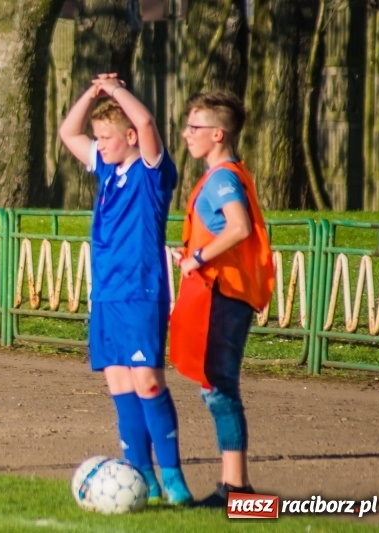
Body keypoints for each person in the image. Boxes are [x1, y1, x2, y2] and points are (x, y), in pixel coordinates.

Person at [58, 74, 192, 505]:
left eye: (107, 136)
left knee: (148, 382)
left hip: (140, 292)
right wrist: (93, 93)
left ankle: (173, 479)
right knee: (120, 387)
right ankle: (142, 478)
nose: (100, 144)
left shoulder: (150, 171)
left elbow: (149, 123)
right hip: (106, 296)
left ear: (130, 136)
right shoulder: (106, 169)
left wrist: (116, 92)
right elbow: (66, 132)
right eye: (97, 137)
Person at [170, 90, 274, 507]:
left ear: (218, 133)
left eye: (193, 128)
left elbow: (239, 227)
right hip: (226, 290)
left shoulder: (223, 178)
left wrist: (197, 256)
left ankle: (237, 490)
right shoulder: (229, 173)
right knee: (216, 385)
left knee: (219, 386)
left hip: (224, 292)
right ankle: (236, 487)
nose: (185, 134)